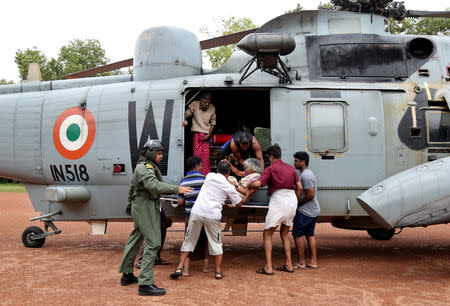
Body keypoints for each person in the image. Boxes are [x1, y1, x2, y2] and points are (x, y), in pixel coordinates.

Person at [119, 139, 193, 296]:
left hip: (143, 204)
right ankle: (145, 283)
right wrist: (177, 189)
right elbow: (154, 186)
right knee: (154, 242)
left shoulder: (146, 166)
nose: (161, 157)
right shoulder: (145, 168)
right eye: (159, 153)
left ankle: (127, 275)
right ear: (151, 153)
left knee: (135, 239)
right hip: (144, 204)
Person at [170, 161, 252, 280]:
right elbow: (239, 203)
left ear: (217, 170)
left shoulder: (209, 176)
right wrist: (248, 193)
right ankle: (218, 271)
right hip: (212, 214)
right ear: (228, 172)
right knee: (216, 242)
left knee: (189, 240)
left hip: (196, 211)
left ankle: (179, 267)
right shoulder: (229, 187)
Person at [247, 145, 302, 275]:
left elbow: (258, 184)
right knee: (284, 233)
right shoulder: (290, 168)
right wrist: (296, 200)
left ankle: (268, 267)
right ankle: (289, 264)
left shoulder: (270, 168)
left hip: (279, 200)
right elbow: (299, 187)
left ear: (271, 156)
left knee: (267, 233)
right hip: (292, 200)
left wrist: (248, 184)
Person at [177, 156, 210, 276]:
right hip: (204, 214)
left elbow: (180, 202)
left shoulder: (183, 181)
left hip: (190, 215)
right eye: (201, 165)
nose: (202, 167)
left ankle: (186, 270)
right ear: (197, 166)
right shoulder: (205, 179)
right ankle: (206, 267)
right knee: (205, 240)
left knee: (188, 240)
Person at [292, 151, 320, 269]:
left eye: (296, 161)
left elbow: (310, 195)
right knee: (310, 234)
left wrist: (297, 203)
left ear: (302, 162)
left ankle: (301, 262)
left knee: (297, 234)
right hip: (312, 210)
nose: (294, 163)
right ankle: (313, 261)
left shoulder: (306, 176)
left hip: (306, 211)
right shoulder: (307, 174)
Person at [183, 92, 216, 175]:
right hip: (197, 134)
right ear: (201, 99)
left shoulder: (212, 107)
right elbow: (187, 113)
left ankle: (205, 175)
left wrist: (209, 134)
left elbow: (213, 122)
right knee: (196, 157)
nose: (207, 104)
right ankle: (196, 174)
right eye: (205, 101)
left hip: (206, 135)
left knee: (205, 158)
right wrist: (185, 119)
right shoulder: (195, 104)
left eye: (208, 102)